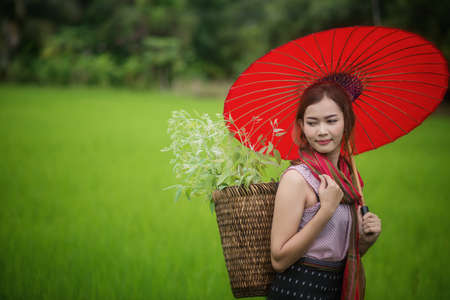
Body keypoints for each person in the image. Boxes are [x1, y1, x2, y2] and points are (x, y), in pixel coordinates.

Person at [267, 81, 382, 300]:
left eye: (331, 121)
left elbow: (335, 255)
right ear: (301, 125)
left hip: (334, 291)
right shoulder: (297, 179)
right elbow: (279, 260)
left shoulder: (348, 181)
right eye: (312, 122)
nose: (322, 131)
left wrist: (365, 241)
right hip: (297, 290)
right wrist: (325, 211)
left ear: (346, 122)